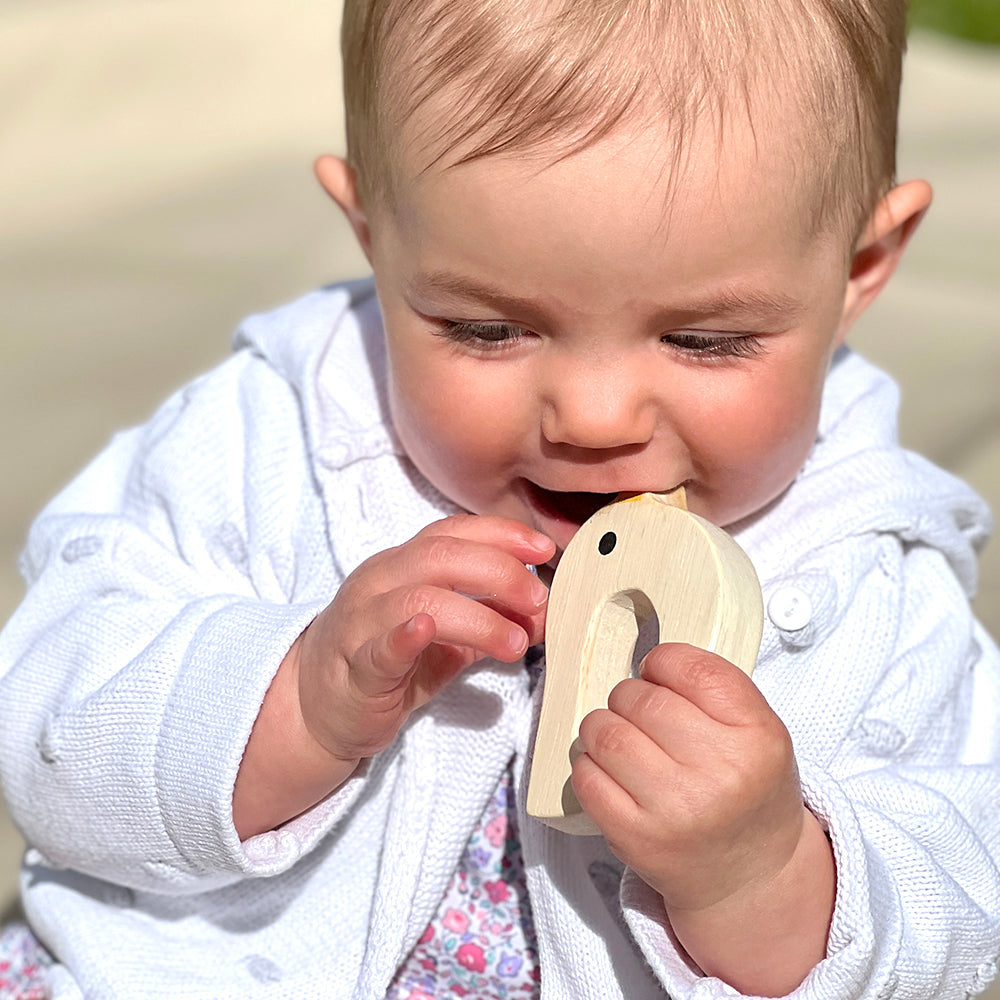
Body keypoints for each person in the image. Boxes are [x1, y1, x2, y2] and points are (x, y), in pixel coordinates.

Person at [1, 0, 999, 997]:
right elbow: (49, 730)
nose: (594, 416)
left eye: (703, 340)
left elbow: (964, 902)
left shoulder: (879, 574)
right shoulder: (267, 435)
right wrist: (294, 699)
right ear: (372, 233)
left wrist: (767, 876)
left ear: (860, 267)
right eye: (485, 328)